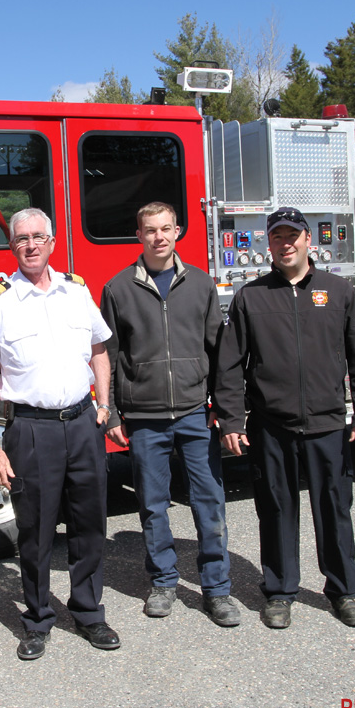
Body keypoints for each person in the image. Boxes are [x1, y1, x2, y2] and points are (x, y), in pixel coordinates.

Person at [0, 207, 118, 661]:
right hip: (31, 430)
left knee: (90, 524)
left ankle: (88, 612)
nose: (30, 245)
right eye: (21, 239)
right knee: (35, 530)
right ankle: (37, 619)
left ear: (52, 242)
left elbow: (99, 349)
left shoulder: (76, 291)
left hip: (83, 423)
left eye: (38, 237)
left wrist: (103, 405)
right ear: (12, 246)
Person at [214, 206, 355, 630]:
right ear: (268, 244)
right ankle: (279, 591)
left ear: (308, 239)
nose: (285, 243)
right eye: (277, 237)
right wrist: (231, 420)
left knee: (334, 510)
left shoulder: (338, 291)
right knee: (275, 510)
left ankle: (344, 591)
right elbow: (229, 366)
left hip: (327, 424)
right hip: (271, 426)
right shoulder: (252, 296)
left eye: (292, 235)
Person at [100, 202, 238, 627]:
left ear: (177, 231)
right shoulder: (118, 288)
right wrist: (112, 415)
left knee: (209, 502)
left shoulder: (200, 284)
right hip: (144, 418)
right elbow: (108, 356)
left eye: (166, 229)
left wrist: (225, 409)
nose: (158, 237)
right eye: (150, 230)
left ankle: (217, 589)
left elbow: (219, 352)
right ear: (138, 235)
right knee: (153, 504)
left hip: (196, 413)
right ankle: (163, 582)